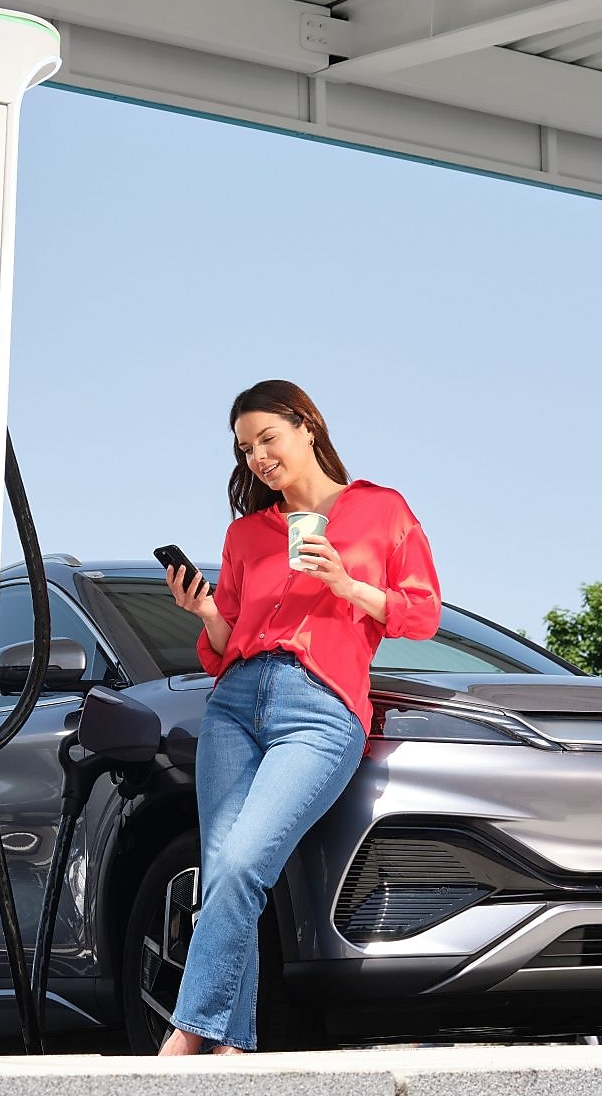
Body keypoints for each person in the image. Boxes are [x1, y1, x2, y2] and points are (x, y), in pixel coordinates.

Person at [157, 380, 441, 1057]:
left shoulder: (381, 509)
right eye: (244, 448)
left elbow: (423, 613)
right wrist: (206, 615)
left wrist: (347, 585)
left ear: (307, 426)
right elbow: (225, 646)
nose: (256, 456)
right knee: (224, 867)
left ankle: (189, 1030)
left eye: (267, 438)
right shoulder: (246, 534)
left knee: (245, 859)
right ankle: (230, 1047)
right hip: (234, 704)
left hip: (319, 710)